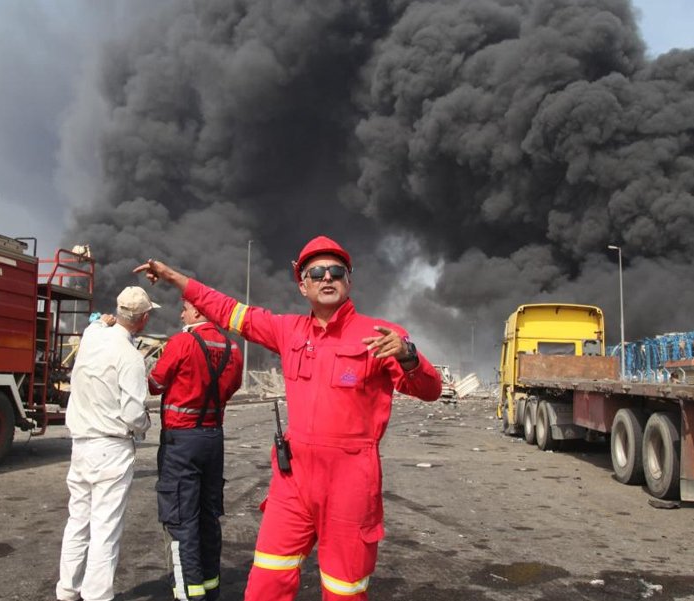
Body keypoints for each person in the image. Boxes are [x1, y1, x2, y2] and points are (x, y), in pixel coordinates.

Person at [134, 236, 443, 601]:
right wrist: (173, 277)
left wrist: (409, 356)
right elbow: (227, 309)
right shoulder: (287, 330)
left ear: (348, 280)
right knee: (266, 584)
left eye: (336, 271)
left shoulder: (380, 335)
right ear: (303, 285)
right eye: (316, 272)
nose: (326, 278)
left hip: (350, 484)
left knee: (344, 591)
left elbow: (430, 389)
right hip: (293, 483)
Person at [56, 286, 158, 601]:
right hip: (111, 448)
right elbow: (132, 413)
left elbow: (99, 323)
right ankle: (97, 595)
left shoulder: (91, 336)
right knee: (105, 527)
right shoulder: (130, 357)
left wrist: (105, 321)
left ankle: (67, 589)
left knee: (78, 521)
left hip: (81, 445)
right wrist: (145, 422)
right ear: (143, 319)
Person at [148, 300, 244, 600]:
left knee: (180, 520)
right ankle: (210, 589)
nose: (181, 314)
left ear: (199, 312)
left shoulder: (182, 342)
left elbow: (155, 383)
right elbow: (231, 387)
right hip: (213, 438)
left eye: (185, 309)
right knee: (208, 516)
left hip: (181, 440)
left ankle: (189, 594)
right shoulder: (234, 350)